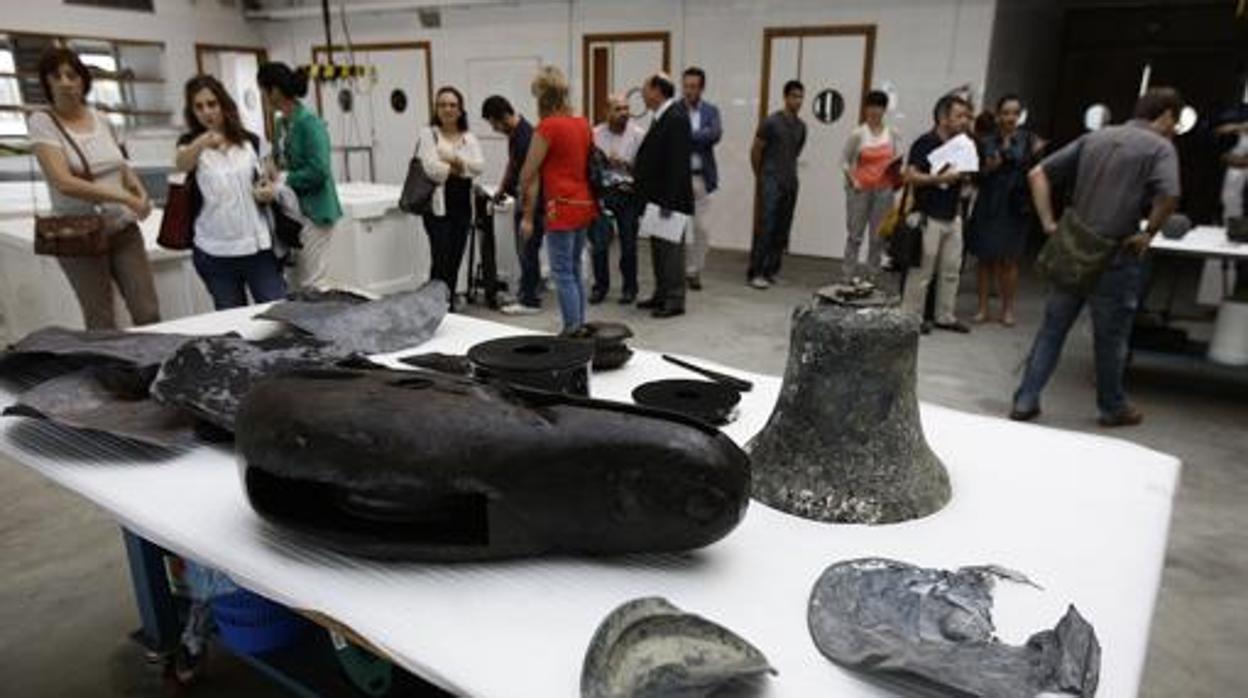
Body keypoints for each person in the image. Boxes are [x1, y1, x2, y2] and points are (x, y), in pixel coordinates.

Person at [1011, 88, 1183, 428]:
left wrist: (1049, 223)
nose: (1174, 129)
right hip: (1116, 253)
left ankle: (1025, 398)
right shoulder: (1160, 147)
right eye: (1174, 121)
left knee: (1052, 329)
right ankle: (1112, 405)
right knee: (1110, 338)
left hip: (1075, 247)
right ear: (1164, 115)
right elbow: (1170, 194)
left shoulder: (1097, 137)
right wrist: (1149, 232)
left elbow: (1037, 173)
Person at [28, 47, 160, 330]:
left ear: (83, 81)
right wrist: (124, 196)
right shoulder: (42, 122)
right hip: (79, 233)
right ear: (47, 82)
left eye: (72, 75)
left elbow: (121, 164)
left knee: (147, 310)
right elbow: (63, 181)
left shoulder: (101, 119)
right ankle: (112, 375)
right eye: (57, 75)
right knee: (100, 319)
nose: (65, 82)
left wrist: (141, 194)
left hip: (122, 229)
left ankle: (154, 368)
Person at [175, 75, 286, 310]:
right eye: (199, 107)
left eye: (212, 104)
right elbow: (181, 164)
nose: (207, 112)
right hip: (215, 252)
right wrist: (202, 141)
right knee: (232, 325)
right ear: (192, 111)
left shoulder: (250, 141)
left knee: (278, 313)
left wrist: (268, 189)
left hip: (258, 248)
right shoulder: (189, 144)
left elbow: (272, 175)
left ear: (223, 104)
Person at [519, 67, 596, 333]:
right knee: (574, 270)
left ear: (542, 97)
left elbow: (529, 171)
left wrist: (524, 200)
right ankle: (579, 324)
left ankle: (572, 329)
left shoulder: (547, 127)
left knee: (562, 272)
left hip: (561, 207)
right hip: (584, 204)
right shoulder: (583, 124)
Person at [256, 62, 342, 291]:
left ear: (273, 91)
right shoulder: (281, 123)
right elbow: (280, 161)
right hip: (291, 211)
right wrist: (271, 170)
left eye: (263, 91)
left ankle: (321, 324)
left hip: (315, 211)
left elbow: (319, 170)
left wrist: (283, 178)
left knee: (312, 281)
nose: (263, 97)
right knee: (295, 282)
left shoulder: (309, 122)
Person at [966, 94, 1044, 326]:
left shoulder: (1030, 140)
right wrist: (988, 169)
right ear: (998, 115)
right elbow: (973, 176)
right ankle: (982, 308)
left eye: (1014, 113)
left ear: (1020, 116)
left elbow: (1037, 173)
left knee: (1009, 260)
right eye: (1006, 113)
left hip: (1015, 205)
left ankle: (1008, 309)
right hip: (989, 202)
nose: (1010, 118)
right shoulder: (984, 141)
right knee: (985, 258)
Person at [902, 94, 974, 334]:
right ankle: (912, 316)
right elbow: (910, 176)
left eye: (966, 116)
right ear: (943, 117)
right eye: (959, 116)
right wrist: (940, 178)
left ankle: (945, 315)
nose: (964, 121)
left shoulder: (963, 144)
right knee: (922, 270)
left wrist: (964, 180)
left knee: (951, 270)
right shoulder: (926, 142)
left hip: (953, 215)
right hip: (928, 214)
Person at [415, 86, 485, 304]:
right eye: (442, 104)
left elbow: (479, 167)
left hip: (462, 206)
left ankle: (448, 307)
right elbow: (431, 168)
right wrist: (463, 166)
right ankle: (432, 307)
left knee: (455, 260)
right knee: (441, 260)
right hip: (438, 209)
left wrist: (452, 160)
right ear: (436, 108)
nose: (448, 109)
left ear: (461, 109)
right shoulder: (429, 134)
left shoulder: (469, 138)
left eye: (453, 105)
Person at [634, 72, 695, 319]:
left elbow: (678, 164)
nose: (643, 94)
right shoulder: (662, 116)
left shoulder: (676, 117)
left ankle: (674, 299)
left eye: (645, 89)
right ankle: (661, 294)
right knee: (659, 251)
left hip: (669, 200)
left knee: (671, 253)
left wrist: (668, 201)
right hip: (657, 198)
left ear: (658, 91)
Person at [482, 95, 544, 315]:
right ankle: (528, 291)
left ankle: (530, 300)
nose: (493, 128)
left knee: (527, 249)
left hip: (532, 202)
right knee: (527, 250)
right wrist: (502, 188)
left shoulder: (525, 137)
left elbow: (532, 178)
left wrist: (527, 216)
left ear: (502, 117)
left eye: (492, 123)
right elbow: (513, 164)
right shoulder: (516, 133)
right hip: (523, 197)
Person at [588, 93, 645, 305]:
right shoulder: (594, 134)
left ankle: (629, 288)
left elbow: (646, 169)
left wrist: (626, 165)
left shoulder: (638, 135)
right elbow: (589, 165)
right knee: (600, 243)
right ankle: (600, 287)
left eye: (626, 108)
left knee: (629, 244)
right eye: (618, 109)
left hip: (628, 194)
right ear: (607, 112)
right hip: (603, 194)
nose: (624, 113)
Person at [748, 80, 806, 289]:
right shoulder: (771, 122)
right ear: (785, 97)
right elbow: (756, 150)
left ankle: (772, 270)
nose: (797, 101)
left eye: (800, 97)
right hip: (771, 181)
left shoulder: (801, 127)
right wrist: (762, 176)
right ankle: (755, 272)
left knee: (782, 228)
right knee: (766, 226)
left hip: (790, 182)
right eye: (794, 96)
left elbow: (795, 151)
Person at [841, 89, 903, 280]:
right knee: (855, 235)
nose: (875, 111)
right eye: (871, 106)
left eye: (879, 106)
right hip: (860, 190)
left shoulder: (892, 133)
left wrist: (897, 173)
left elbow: (898, 158)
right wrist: (854, 180)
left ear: (884, 110)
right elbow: (844, 160)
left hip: (884, 191)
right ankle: (848, 276)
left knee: (878, 237)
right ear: (866, 109)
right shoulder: (858, 134)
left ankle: (871, 278)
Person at [682, 66, 723, 291]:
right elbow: (670, 139)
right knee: (676, 228)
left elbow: (715, 134)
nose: (689, 91)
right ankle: (675, 272)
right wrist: (700, 136)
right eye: (686, 86)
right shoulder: (675, 110)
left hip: (701, 178)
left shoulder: (710, 111)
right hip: (678, 178)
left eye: (693, 87)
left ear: (702, 88)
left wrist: (687, 137)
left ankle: (694, 271)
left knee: (702, 227)